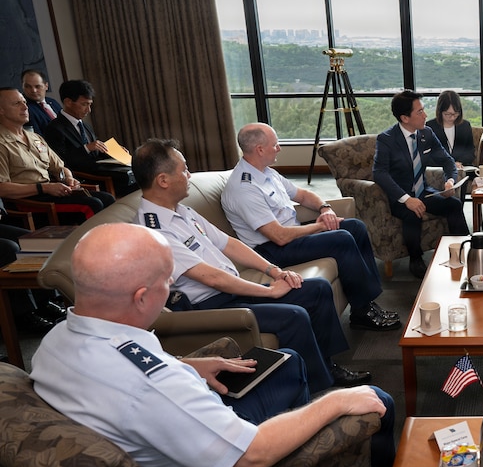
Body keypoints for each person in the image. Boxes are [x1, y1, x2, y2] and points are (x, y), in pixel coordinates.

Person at [30, 222, 396, 467]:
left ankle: (306, 452)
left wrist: (186, 366)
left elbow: (127, 385)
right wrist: (336, 401)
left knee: (287, 363)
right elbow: (253, 456)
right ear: (141, 298)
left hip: (171, 437)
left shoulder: (55, 341)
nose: (171, 286)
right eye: (166, 281)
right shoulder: (153, 386)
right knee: (376, 401)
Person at [132, 138, 370, 391]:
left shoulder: (182, 212)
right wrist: (269, 292)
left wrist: (275, 271)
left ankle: (327, 366)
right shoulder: (154, 230)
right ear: (163, 180)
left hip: (231, 290)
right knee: (294, 316)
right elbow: (212, 278)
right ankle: (318, 386)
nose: (189, 175)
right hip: (210, 304)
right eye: (184, 170)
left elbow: (229, 244)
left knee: (316, 289)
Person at [222, 123, 400, 332]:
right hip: (271, 249)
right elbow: (278, 236)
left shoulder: (266, 173)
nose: (279, 148)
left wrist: (325, 209)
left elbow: (303, 195)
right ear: (259, 149)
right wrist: (318, 227)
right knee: (341, 239)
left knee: (355, 227)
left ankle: (366, 303)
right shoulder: (244, 188)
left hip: (290, 236)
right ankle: (363, 312)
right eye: (275, 145)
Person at [373, 90, 470, 279]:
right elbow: (379, 173)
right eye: (419, 112)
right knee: (413, 213)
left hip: (423, 191)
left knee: (454, 204)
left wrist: (450, 181)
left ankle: (465, 248)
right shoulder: (386, 139)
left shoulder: (426, 133)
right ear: (405, 118)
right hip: (400, 196)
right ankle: (416, 260)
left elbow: (447, 161)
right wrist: (406, 199)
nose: (425, 115)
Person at [0, 87, 115, 221]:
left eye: (24, 102)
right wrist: (43, 188)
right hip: (28, 201)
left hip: (50, 191)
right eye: (16, 103)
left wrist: (68, 178)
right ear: (1, 110)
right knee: (92, 205)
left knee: (108, 199)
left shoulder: (35, 138)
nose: (25, 107)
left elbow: (59, 167)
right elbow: (2, 188)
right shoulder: (2, 143)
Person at [42, 79, 137, 196]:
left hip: (100, 169)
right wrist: (86, 148)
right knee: (131, 180)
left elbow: (96, 150)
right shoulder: (54, 128)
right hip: (84, 177)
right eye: (84, 104)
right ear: (68, 102)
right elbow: (61, 161)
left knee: (139, 173)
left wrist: (114, 151)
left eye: (90, 104)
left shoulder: (84, 125)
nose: (89, 110)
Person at [425, 90, 477, 168]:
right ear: (440, 111)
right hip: (439, 170)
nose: (452, 117)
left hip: (462, 168)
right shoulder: (430, 127)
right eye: (447, 114)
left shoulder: (465, 126)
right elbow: (428, 154)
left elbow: (470, 152)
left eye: (455, 114)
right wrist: (447, 164)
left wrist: (459, 162)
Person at [21, 69, 62, 135]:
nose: (33, 90)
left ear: (46, 86)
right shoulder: (23, 108)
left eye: (38, 86)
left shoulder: (52, 102)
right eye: (28, 86)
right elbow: (36, 137)